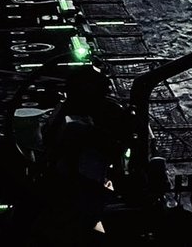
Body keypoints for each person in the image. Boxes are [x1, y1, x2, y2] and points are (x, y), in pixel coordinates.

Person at [26, 65, 133, 245]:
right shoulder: (75, 123)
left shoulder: (74, 113)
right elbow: (112, 148)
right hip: (75, 187)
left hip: (77, 182)